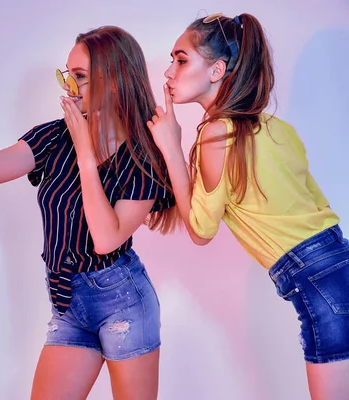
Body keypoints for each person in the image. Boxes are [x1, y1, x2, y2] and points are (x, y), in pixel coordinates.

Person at [0, 25, 176, 399]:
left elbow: (105, 239)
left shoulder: (143, 157)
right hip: (68, 300)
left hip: (123, 301)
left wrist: (86, 152)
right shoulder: (55, 137)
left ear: (116, 81)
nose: (70, 88)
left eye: (81, 77)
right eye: (67, 75)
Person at [147, 12, 349, 400]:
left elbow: (201, 230)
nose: (170, 72)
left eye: (182, 59)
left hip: (316, 282)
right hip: (339, 260)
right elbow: (317, 207)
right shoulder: (277, 129)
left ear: (217, 69)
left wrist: (172, 148)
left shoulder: (215, 134)